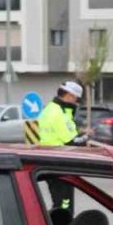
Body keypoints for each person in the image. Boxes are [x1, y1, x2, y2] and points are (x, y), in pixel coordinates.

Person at [37, 81, 87, 210]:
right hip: (60, 161)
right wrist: (86, 138)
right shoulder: (59, 113)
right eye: (76, 98)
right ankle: (63, 221)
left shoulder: (49, 109)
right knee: (65, 204)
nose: (76, 102)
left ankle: (59, 220)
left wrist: (80, 132)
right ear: (69, 95)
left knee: (58, 201)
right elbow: (71, 141)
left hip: (48, 159)